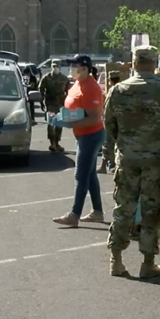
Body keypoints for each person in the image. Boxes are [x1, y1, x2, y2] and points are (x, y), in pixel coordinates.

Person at [104, 45, 160, 278]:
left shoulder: (118, 91)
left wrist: (123, 144)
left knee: (123, 208)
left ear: (134, 63)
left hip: (127, 159)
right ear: (155, 64)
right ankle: (148, 262)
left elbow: (109, 125)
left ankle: (116, 260)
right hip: (156, 160)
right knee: (152, 211)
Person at [48, 55, 106, 227]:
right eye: (71, 65)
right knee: (90, 174)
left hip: (91, 135)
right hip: (82, 134)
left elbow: (94, 118)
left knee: (80, 175)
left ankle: (74, 215)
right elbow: (75, 107)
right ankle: (97, 212)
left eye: (76, 65)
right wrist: (60, 116)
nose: (72, 68)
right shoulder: (77, 84)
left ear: (85, 68)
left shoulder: (91, 88)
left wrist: (69, 123)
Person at [38, 59, 69, 152]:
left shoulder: (64, 78)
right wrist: (41, 101)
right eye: (54, 66)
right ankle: (52, 143)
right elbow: (41, 89)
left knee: (59, 124)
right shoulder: (46, 78)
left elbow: (68, 91)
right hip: (50, 104)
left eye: (57, 66)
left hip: (61, 104)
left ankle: (57, 142)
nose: (55, 68)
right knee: (51, 123)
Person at [97, 70, 122, 174]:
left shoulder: (112, 91)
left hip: (111, 121)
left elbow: (107, 109)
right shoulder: (123, 89)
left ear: (110, 80)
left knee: (107, 143)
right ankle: (114, 165)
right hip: (121, 120)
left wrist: (104, 121)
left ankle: (104, 166)